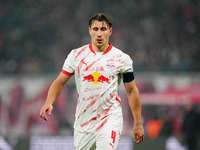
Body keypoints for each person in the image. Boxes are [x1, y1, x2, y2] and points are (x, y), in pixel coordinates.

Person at [40, 13, 144, 150]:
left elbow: (131, 91)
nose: (99, 34)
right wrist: (49, 102)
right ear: (89, 31)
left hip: (110, 120)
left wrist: (138, 123)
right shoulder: (76, 55)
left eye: (103, 29)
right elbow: (59, 82)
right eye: (95, 29)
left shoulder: (121, 58)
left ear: (110, 31)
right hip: (83, 124)